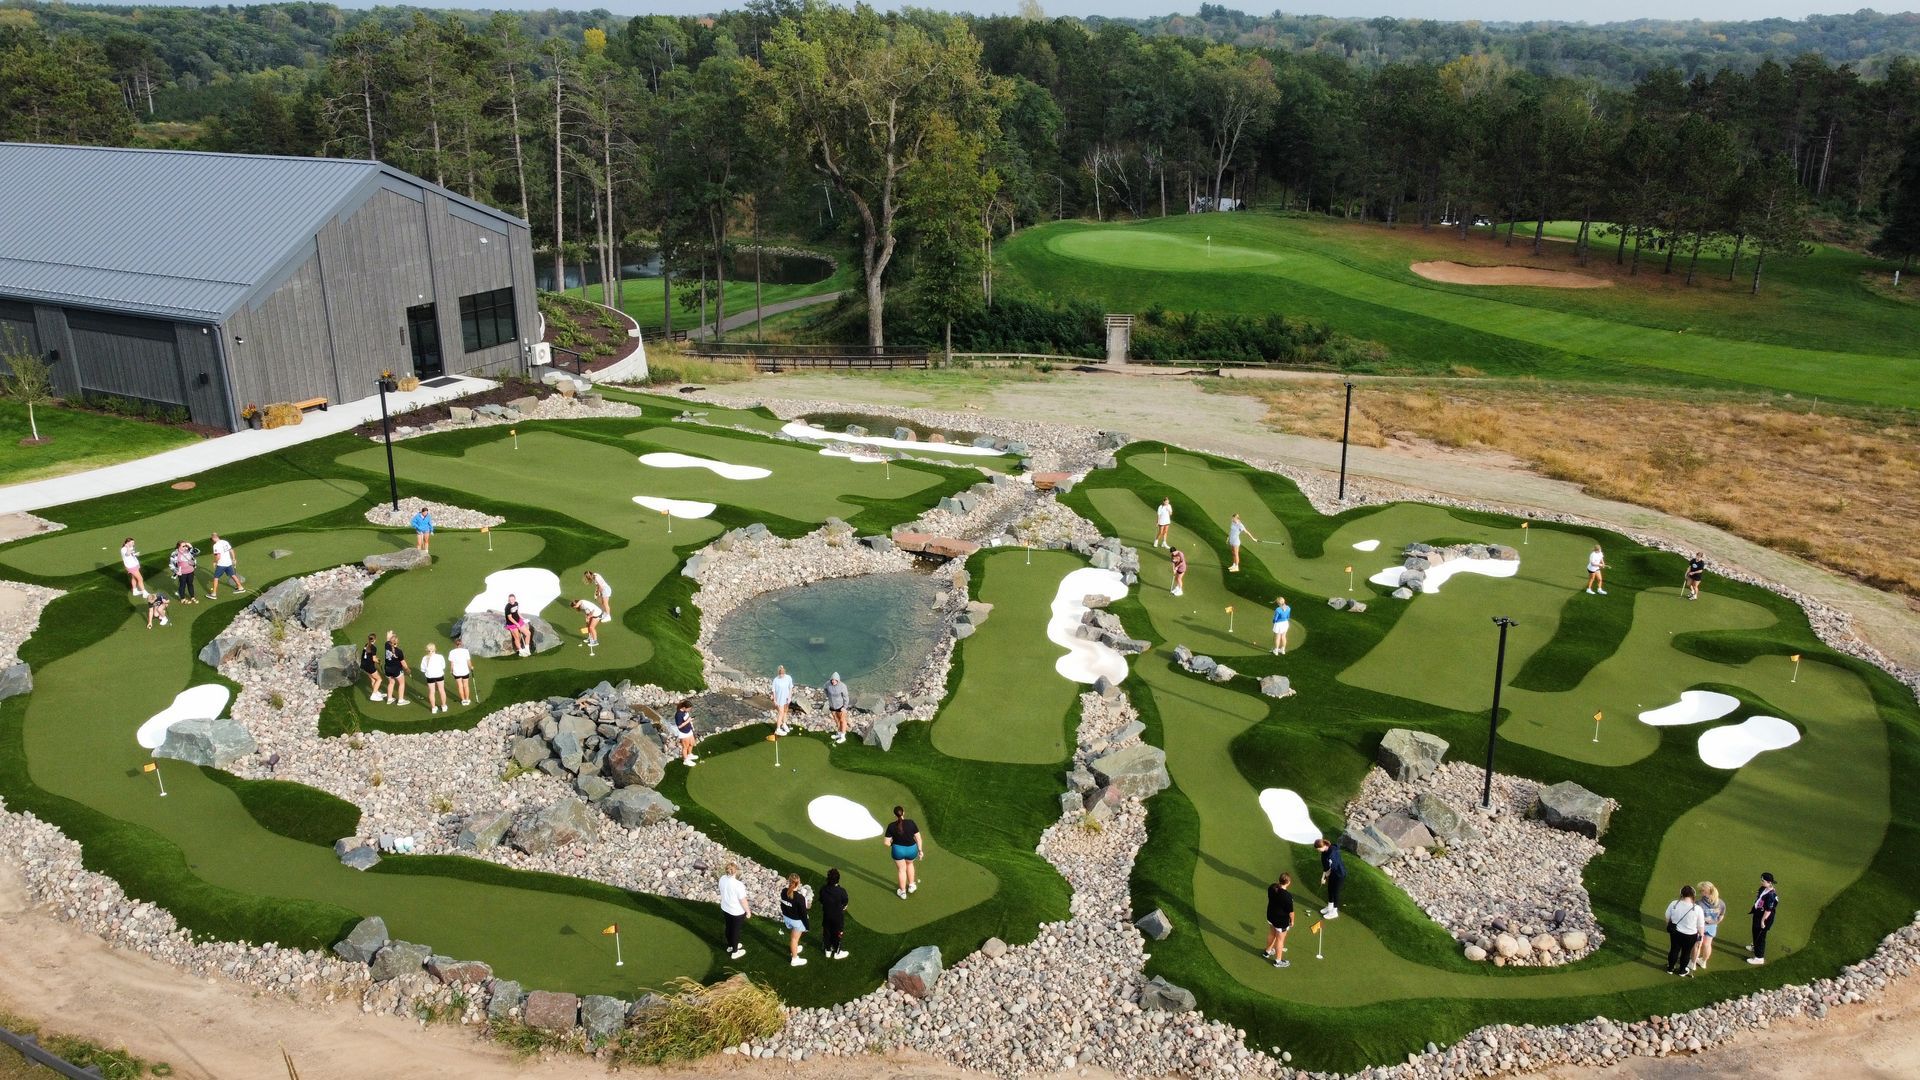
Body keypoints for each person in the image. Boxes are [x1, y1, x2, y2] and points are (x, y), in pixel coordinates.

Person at [1665, 884, 1704, 976]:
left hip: (1675, 932)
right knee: (1686, 952)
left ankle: (1670, 968)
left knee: (1674, 950)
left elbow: (1667, 917)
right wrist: (1701, 936)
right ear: (1693, 895)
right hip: (1690, 935)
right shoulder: (1697, 909)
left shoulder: (1674, 904)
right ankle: (1682, 971)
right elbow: (1700, 925)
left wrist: (1670, 926)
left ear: (1681, 894)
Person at [717, 863, 750, 960]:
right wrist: (748, 911)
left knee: (729, 927)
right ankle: (735, 952)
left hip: (725, 908)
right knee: (735, 931)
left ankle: (730, 945)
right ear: (736, 871)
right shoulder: (738, 885)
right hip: (736, 912)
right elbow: (743, 900)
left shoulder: (722, 878)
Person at [1264, 871, 1295, 969]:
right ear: (1288, 882)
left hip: (1271, 915)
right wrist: (1292, 921)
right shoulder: (1287, 896)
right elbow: (1291, 912)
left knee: (1272, 933)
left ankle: (1267, 952)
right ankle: (1278, 961)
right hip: (1281, 921)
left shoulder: (1272, 887)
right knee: (1280, 940)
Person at [780, 873, 811, 967]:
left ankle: (794, 948)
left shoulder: (784, 891)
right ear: (799, 883)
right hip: (796, 922)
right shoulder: (800, 898)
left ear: (789, 881)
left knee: (794, 939)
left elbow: (782, 905)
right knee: (794, 939)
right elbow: (803, 914)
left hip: (787, 918)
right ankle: (794, 959)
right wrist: (807, 926)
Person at [1693, 880, 1725, 971]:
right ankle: (1703, 962)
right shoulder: (1721, 903)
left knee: (1697, 945)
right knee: (1707, 944)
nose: (1700, 892)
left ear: (1705, 892)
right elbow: (1721, 916)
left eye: (1701, 890)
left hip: (1700, 927)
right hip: (1712, 926)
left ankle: (1693, 963)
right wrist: (1715, 923)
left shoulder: (1699, 903)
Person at [1748, 872, 1779, 965]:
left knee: (1760, 936)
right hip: (1758, 914)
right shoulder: (1763, 888)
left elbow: (1768, 910)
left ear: (1769, 882)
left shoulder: (1771, 895)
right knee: (1755, 932)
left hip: (1765, 918)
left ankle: (1759, 958)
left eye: (1763, 880)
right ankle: (1755, 946)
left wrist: (1762, 921)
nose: (1761, 882)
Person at [820, 868, 850, 960]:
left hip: (827, 915)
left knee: (827, 932)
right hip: (837, 917)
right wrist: (843, 907)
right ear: (838, 879)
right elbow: (845, 902)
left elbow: (821, 900)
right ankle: (837, 952)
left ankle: (828, 950)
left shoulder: (823, 889)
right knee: (837, 933)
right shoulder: (841, 891)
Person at [207, 532, 245, 598]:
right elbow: (231, 550)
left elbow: (218, 556)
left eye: (212, 539)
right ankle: (240, 588)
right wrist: (234, 559)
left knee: (216, 578)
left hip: (221, 564)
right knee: (233, 575)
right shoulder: (225, 542)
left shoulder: (216, 545)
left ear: (213, 538)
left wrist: (215, 562)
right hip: (228, 562)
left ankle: (214, 594)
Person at [1316, 837, 1346, 919]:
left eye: (1319, 849)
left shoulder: (1332, 852)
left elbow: (1331, 867)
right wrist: (1323, 878)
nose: (1318, 850)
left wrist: (1326, 876)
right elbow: (1326, 868)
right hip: (1332, 873)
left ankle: (1334, 911)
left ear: (1323, 846)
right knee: (1330, 889)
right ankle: (1329, 907)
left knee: (1335, 892)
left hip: (1339, 874)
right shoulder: (1324, 853)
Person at [383, 631, 410, 707]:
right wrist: (407, 669)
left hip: (387, 669)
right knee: (402, 683)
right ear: (397, 642)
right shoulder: (399, 651)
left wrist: (388, 636)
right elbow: (403, 662)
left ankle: (389, 699)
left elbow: (388, 641)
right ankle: (400, 700)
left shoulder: (387, 646)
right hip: (396, 670)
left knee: (391, 683)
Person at [419, 642, 448, 714]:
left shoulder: (425, 658)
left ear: (427, 650)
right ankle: (444, 706)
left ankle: (433, 708)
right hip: (439, 675)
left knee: (431, 691)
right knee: (441, 690)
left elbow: (423, 669)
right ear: (435, 649)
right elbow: (443, 666)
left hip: (430, 676)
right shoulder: (440, 656)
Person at [824, 673, 851, 744]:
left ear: (838, 680)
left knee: (842, 720)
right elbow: (825, 689)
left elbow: (846, 697)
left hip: (840, 706)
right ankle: (839, 733)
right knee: (836, 719)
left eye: (835, 680)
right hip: (832, 706)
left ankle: (843, 736)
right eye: (832, 680)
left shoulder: (842, 686)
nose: (833, 681)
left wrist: (845, 707)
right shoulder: (828, 684)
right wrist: (828, 696)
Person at [448, 637, 474, 707]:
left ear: (455, 644)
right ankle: (467, 699)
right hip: (465, 671)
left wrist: (451, 670)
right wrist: (471, 667)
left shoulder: (452, 652)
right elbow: (468, 661)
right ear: (461, 644)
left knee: (460, 686)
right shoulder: (466, 651)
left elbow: (452, 663)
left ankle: (463, 700)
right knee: (466, 685)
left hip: (456, 672)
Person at [771, 665, 795, 736]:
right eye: (780, 674)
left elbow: (790, 688)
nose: (781, 675)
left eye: (783, 674)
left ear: (784, 673)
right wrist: (774, 700)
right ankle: (778, 729)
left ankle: (784, 724)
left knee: (785, 711)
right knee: (780, 713)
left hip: (786, 698)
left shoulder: (788, 678)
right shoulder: (775, 680)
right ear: (778, 673)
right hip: (779, 699)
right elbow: (773, 691)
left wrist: (789, 697)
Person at [361, 633, 385, 702]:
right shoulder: (373, 648)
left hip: (364, 665)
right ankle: (373, 695)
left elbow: (369, 656)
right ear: (375, 640)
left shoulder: (366, 645)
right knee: (379, 679)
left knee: (373, 680)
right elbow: (374, 659)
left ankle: (376, 692)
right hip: (369, 666)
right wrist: (378, 661)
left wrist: (377, 659)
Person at [674, 698, 698, 766]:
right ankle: (685, 760)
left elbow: (687, 719)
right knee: (685, 747)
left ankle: (689, 754)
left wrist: (690, 721)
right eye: (689, 709)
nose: (689, 710)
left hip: (689, 730)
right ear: (684, 707)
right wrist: (688, 721)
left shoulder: (685, 712)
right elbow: (679, 726)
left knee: (692, 743)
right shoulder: (678, 714)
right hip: (683, 732)